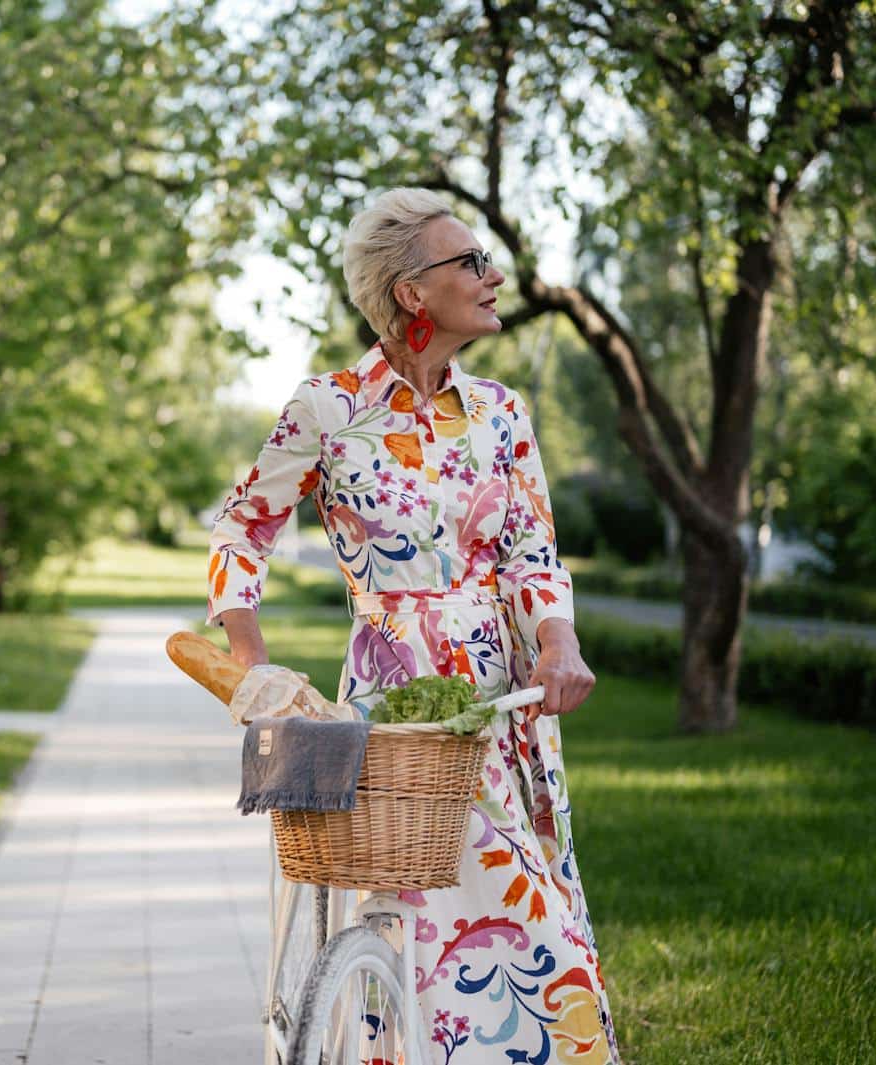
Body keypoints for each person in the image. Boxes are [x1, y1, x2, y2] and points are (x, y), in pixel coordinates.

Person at [207, 187, 621, 1064]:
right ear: (410, 292)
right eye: (469, 261)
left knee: (536, 921)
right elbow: (244, 525)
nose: (493, 274)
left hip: (500, 697)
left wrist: (560, 643)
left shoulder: (501, 413)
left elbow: (533, 555)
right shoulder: (329, 408)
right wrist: (252, 666)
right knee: (408, 920)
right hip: (392, 692)